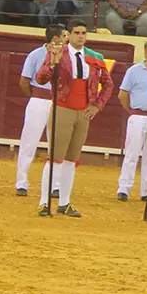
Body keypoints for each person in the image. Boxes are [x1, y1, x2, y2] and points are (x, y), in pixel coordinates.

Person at [34, 18, 115, 217]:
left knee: (72, 159)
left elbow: (108, 84)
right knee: (55, 158)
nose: (81, 36)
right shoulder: (57, 53)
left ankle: (65, 202)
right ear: (68, 35)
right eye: (77, 33)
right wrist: (52, 63)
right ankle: (44, 202)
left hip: (84, 112)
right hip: (63, 108)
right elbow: (41, 78)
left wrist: (97, 105)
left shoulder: (95, 57)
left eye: (83, 33)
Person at [13, 25, 64, 197]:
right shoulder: (35, 55)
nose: (66, 39)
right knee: (29, 142)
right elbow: (24, 81)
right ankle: (21, 182)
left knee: (57, 145)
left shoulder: (67, 55)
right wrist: (36, 97)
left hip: (59, 102)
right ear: (55, 39)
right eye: (63, 36)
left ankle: (55, 184)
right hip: (39, 100)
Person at [116, 40, 147, 202]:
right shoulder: (134, 71)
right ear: (146, 52)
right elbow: (123, 94)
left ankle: (146, 191)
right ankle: (124, 189)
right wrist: (130, 111)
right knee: (131, 153)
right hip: (137, 116)